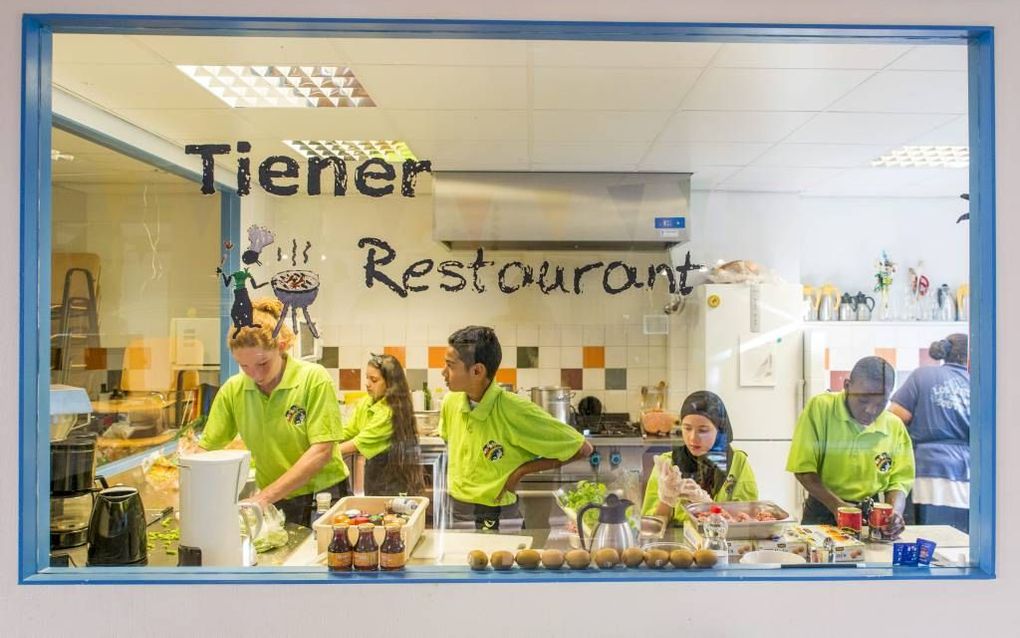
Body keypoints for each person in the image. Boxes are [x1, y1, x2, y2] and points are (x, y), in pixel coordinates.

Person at [197, 299, 350, 527]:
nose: (255, 375)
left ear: (281, 345)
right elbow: (207, 448)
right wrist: (181, 475)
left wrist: (264, 497)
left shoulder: (313, 379)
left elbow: (322, 451)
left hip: (322, 495)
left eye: (262, 363)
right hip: (274, 498)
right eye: (244, 366)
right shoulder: (234, 390)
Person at [439, 325, 594, 530]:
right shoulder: (451, 402)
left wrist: (519, 472)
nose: (443, 372)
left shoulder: (514, 410)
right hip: (455, 508)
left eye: (450, 366)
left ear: (477, 371)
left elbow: (582, 448)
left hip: (496, 513)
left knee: (496, 561)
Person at [786, 356, 915, 538]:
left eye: (880, 403)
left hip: (871, 517)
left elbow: (899, 481)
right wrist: (839, 507)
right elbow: (804, 470)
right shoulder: (821, 408)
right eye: (863, 401)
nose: (870, 410)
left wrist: (895, 512)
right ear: (847, 386)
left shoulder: (894, 426)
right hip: (823, 510)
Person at [889, 334, 970, 532]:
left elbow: (893, 419)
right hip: (966, 473)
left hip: (927, 468)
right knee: (959, 539)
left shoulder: (922, 375)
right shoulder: (976, 383)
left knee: (925, 536)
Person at [642, 391, 758, 526]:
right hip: (679, 543)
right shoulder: (668, 464)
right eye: (687, 428)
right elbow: (651, 526)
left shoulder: (737, 462)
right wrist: (666, 499)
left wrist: (708, 506)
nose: (692, 438)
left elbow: (748, 520)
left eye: (703, 430)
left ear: (720, 430)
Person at [339, 353, 425, 496]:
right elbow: (349, 430)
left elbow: (357, 443)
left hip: (395, 480)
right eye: (367, 377)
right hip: (374, 475)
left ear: (390, 384)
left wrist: (324, 453)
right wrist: (322, 440)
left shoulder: (389, 412)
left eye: (374, 380)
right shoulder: (366, 402)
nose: (367, 383)